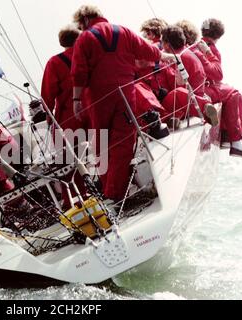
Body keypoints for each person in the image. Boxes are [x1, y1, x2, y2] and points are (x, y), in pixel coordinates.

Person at [71, 5, 174, 203]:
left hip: (98, 99)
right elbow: (148, 51)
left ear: (84, 20)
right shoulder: (123, 31)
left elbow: (79, 72)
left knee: (101, 144)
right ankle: (115, 193)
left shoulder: (85, 38)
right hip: (126, 94)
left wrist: (76, 100)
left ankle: (108, 193)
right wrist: (165, 56)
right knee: (123, 143)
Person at [41, 25, 87, 209]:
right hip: (95, 111)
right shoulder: (89, 55)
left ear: (62, 42)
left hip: (70, 117)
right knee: (104, 152)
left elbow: (47, 94)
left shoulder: (55, 63)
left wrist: (49, 115)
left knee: (67, 164)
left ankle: (75, 200)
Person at [199, 18, 242, 158]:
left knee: (233, 92)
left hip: (202, 87)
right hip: (205, 88)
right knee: (234, 93)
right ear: (219, 35)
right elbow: (217, 74)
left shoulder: (196, 44)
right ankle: (238, 136)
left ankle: (239, 133)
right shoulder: (211, 48)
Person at [159, 25, 219, 125]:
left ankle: (205, 110)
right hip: (195, 99)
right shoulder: (189, 53)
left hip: (185, 106)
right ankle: (206, 108)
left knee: (177, 93)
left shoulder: (176, 58)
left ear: (166, 45)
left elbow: (176, 85)